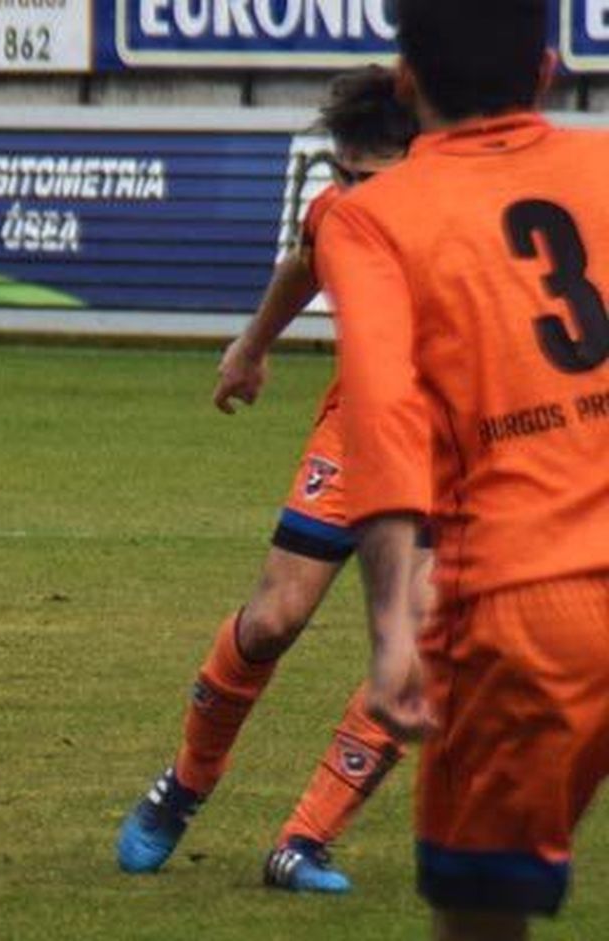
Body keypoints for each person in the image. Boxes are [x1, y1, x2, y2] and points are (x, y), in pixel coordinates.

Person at [319, 1, 609, 937]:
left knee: (481, 914)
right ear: (548, 71)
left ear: (406, 83)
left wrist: (391, 627)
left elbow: (382, 416)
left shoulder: (372, 219)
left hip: (522, 613)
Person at [115, 67, 421, 893]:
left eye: (369, 178)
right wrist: (250, 348)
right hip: (356, 435)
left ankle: (304, 841)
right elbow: (303, 265)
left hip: (451, 454)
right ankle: (184, 782)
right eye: (343, 174)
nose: (352, 194)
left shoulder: (468, 214)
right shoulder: (336, 215)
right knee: (274, 619)